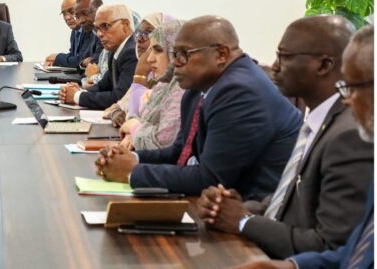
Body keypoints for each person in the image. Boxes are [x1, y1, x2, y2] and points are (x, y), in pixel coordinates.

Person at [197, 16, 372, 259]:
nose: (275, 66)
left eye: (285, 56)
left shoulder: (349, 135)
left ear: (323, 65)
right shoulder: (320, 120)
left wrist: (243, 220)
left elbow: (329, 246)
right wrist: (232, 208)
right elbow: (291, 200)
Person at [94, 16, 302, 200]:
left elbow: (210, 178)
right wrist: (132, 158)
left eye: (183, 54)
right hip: (212, 202)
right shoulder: (199, 86)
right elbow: (181, 152)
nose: (175, 62)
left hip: (247, 210)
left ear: (221, 54)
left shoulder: (240, 91)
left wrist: (132, 172)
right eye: (174, 53)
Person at [117, 19, 186, 151]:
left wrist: (134, 130)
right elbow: (137, 116)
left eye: (158, 50)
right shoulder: (163, 85)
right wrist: (133, 131)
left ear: (176, 52)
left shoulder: (182, 89)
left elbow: (163, 142)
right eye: (151, 50)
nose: (149, 59)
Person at [59, 4, 137, 109]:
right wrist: (78, 91)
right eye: (97, 28)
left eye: (105, 26)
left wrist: (77, 96)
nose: (99, 34)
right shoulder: (115, 51)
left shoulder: (132, 52)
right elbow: (102, 86)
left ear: (125, 25)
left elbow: (120, 98)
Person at [104, 13, 172, 124]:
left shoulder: (172, 85)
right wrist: (115, 113)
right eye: (138, 33)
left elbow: (135, 118)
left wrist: (140, 73)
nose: (139, 39)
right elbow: (117, 106)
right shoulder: (151, 75)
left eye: (148, 33)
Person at [44, 0, 80, 67]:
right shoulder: (75, 32)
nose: (67, 17)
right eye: (64, 14)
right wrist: (54, 60)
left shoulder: (89, 31)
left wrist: (57, 57)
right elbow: (72, 56)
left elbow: (80, 60)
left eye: (72, 11)